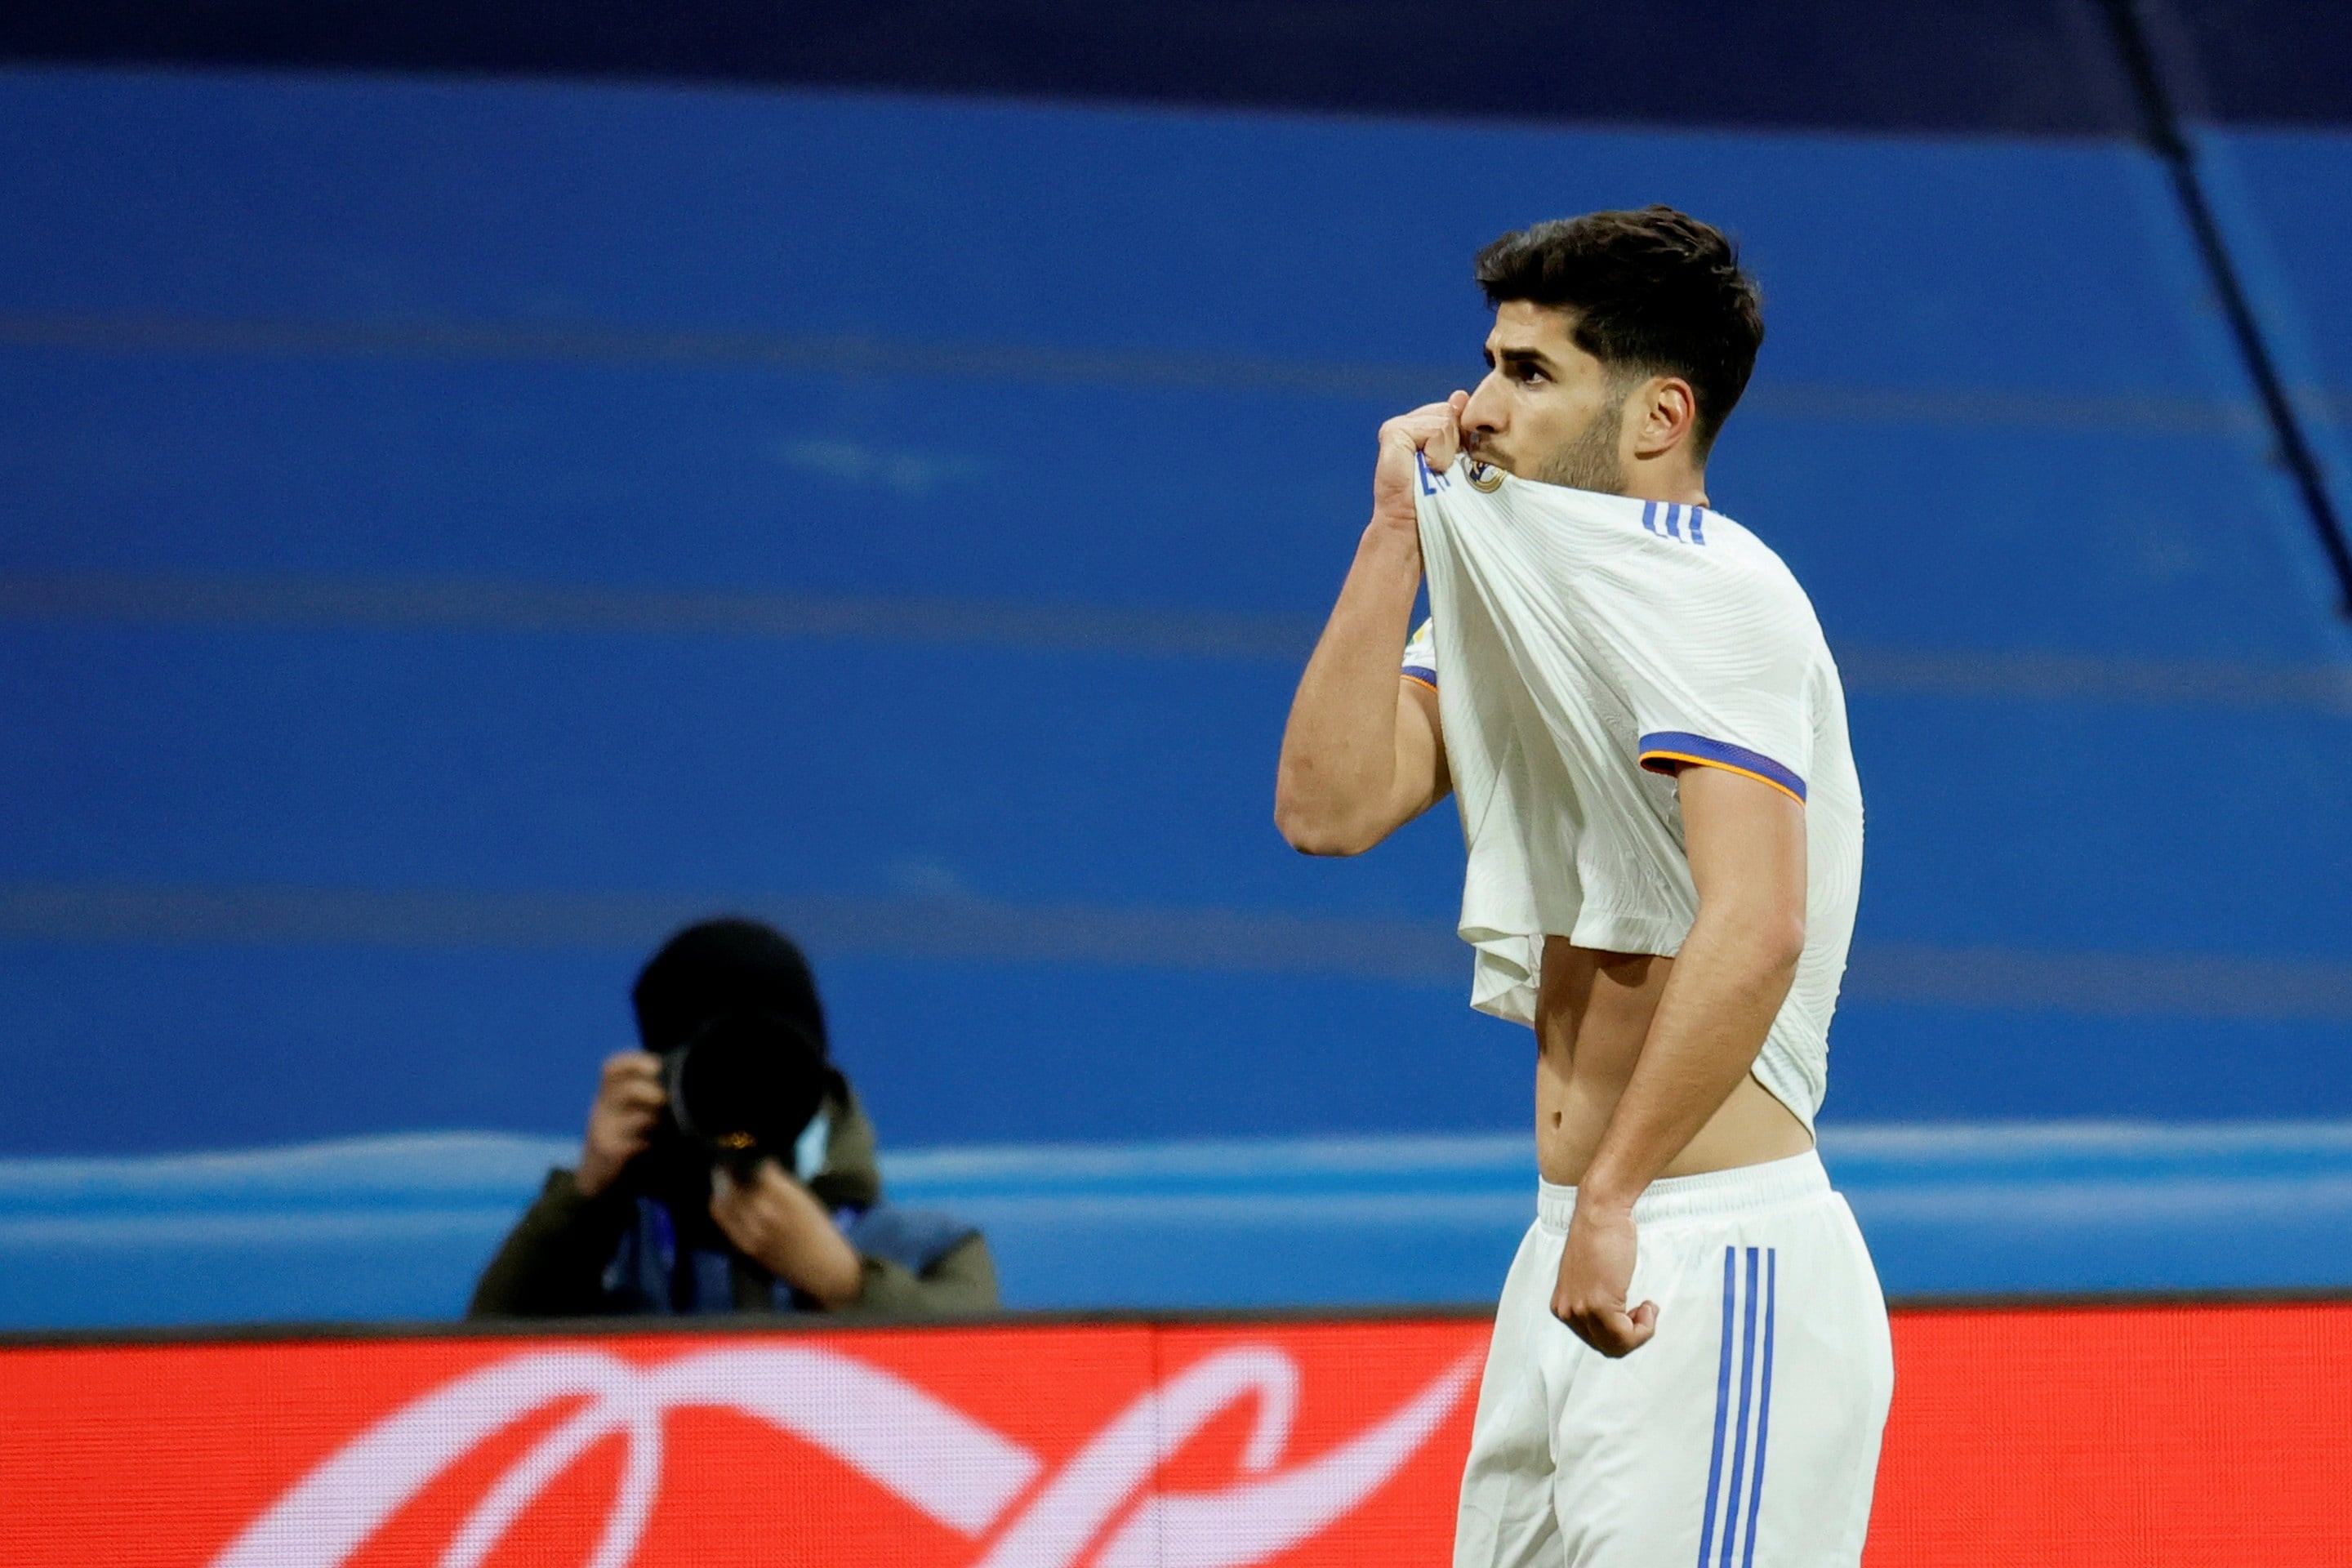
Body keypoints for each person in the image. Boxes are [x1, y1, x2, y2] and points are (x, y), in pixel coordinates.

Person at [1275, 207, 1891, 1566]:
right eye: (1489, 364)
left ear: (1660, 415)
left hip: (1713, 1268)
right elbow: (1326, 810)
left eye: (1532, 374)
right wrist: (1394, 534)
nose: (1478, 410)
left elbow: (1758, 921)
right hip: (1574, 1244)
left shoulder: (1717, 597)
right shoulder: (1526, 601)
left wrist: (1612, 1202)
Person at [469, 917, 997, 1319]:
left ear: (816, 1085)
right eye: (717, 1074)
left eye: (770, 1071)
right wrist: (584, 1197)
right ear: (661, 1084)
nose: (745, 1097)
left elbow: (998, 1395)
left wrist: (847, 1284)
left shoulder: (928, 1251)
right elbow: (470, 1384)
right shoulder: (607, 1249)